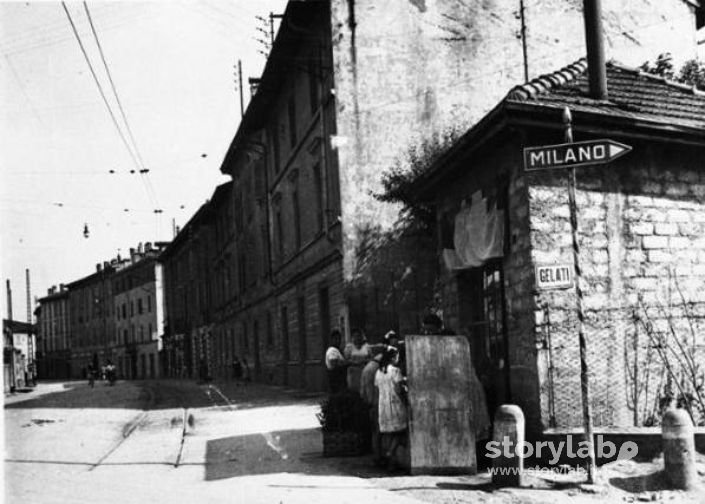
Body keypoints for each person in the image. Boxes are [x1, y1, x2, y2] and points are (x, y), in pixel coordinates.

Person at [375, 346, 408, 471]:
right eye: (397, 357)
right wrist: (405, 400)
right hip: (395, 404)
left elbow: (377, 387)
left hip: (383, 405)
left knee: (389, 432)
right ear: (393, 357)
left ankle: (391, 460)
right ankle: (390, 452)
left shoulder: (379, 372)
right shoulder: (395, 371)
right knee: (401, 431)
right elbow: (399, 390)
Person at [360, 352, 384, 465]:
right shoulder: (377, 370)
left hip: (369, 403)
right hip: (377, 403)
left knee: (374, 431)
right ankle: (379, 457)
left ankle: (376, 455)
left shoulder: (367, 368)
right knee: (378, 432)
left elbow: (362, 391)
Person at [344, 328, 371, 392]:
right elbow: (346, 360)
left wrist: (365, 361)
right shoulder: (349, 347)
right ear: (352, 337)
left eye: (359, 336)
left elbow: (371, 359)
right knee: (354, 392)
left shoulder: (367, 347)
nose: (357, 338)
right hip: (353, 374)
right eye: (355, 336)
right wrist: (355, 362)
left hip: (364, 372)